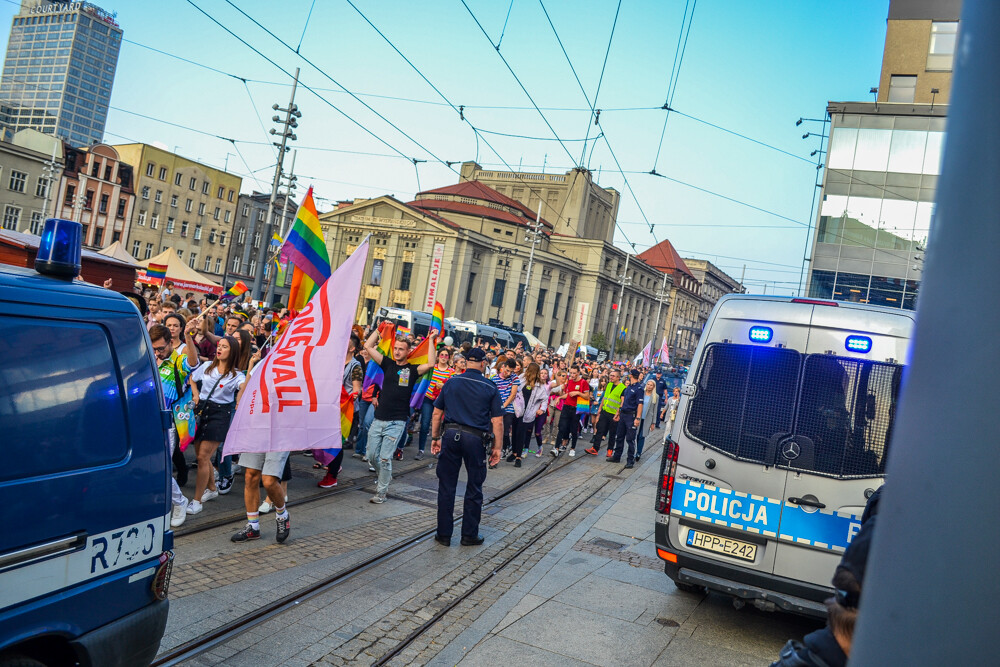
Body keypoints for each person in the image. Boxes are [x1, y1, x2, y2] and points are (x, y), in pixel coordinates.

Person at [429, 347, 503, 546]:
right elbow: (498, 422)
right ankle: (469, 535)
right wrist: (497, 448)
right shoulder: (490, 386)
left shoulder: (451, 382)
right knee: (474, 487)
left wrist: (435, 437)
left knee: (446, 486)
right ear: (483, 363)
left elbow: (437, 413)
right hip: (475, 439)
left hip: (451, 434)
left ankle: (443, 534)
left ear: (465, 362)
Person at [363, 327, 436, 504]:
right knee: (372, 456)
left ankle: (381, 492)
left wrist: (432, 340)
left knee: (385, 458)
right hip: (379, 419)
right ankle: (384, 478)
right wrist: (379, 330)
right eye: (395, 348)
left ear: (408, 351)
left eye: (401, 349)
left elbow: (431, 364)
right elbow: (368, 345)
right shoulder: (387, 363)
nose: (397, 351)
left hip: (396, 422)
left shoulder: (412, 370)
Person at [183, 321, 245, 514]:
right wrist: (195, 394)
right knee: (204, 455)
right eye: (219, 346)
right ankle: (211, 488)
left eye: (224, 347)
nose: (220, 349)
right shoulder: (208, 366)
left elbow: (244, 389)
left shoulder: (237, 376)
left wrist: (251, 367)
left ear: (232, 352)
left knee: (202, 457)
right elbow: (192, 378)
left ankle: (197, 500)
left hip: (220, 415)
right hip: (201, 411)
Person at [230, 350, 291, 544]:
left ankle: (282, 515)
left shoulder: (298, 369)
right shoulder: (263, 363)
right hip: (257, 426)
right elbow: (245, 393)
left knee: (269, 480)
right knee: (250, 476)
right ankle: (253, 526)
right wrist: (251, 367)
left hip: (281, 429)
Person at [149, 324, 192, 527]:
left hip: (169, 422)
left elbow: (193, 363)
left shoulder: (178, 360)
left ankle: (180, 501)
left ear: (170, 343)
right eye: (154, 348)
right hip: (148, 419)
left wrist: (188, 338)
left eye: (161, 348)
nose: (157, 352)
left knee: (163, 467)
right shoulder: (150, 358)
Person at [319, 333, 363, 488]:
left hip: (345, 412)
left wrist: (349, 399)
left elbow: (357, 390)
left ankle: (332, 476)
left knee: (336, 443)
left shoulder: (355, 367)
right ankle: (332, 465)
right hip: (329, 409)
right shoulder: (334, 362)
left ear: (352, 348)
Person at [418, 347, 455, 461]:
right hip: (428, 399)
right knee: (424, 424)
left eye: (446, 355)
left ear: (449, 358)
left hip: (442, 402)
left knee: (439, 426)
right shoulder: (432, 368)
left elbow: (452, 388)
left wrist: (444, 387)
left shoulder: (451, 372)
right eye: (442, 355)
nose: (444, 357)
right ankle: (421, 450)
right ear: (438, 356)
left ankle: (437, 449)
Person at [510, 362, 549, 467]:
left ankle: (518, 456)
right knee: (514, 432)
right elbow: (513, 388)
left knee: (521, 434)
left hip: (528, 413)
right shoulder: (521, 378)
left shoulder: (539, 385)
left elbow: (545, 399)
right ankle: (514, 452)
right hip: (517, 410)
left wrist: (543, 409)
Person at [552, 366, 590, 457]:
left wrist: (578, 393)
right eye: (571, 373)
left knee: (573, 429)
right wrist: (560, 397)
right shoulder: (569, 381)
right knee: (562, 427)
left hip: (576, 409)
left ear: (578, 373)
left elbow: (587, 396)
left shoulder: (583, 382)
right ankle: (556, 448)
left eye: (574, 373)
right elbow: (568, 394)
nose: (572, 375)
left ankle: (572, 448)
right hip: (566, 407)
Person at [586, 369, 625, 456]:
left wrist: (618, 413)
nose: (611, 377)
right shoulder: (609, 384)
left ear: (618, 377)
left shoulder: (623, 388)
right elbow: (605, 397)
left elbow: (622, 402)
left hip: (614, 413)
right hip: (604, 411)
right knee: (599, 429)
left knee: (612, 433)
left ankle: (610, 450)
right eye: (610, 375)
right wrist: (600, 409)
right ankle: (595, 448)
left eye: (613, 376)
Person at [611, 369, 644, 468]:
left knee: (630, 439)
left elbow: (640, 404)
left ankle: (630, 461)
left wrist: (637, 418)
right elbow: (623, 402)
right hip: (623, 414)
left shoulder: (639, 389)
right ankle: (617, 456)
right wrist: (619, 412)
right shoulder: (628, 387)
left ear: (631, 375)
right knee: (619, 437)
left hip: (631, 415)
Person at [492, 358, 519, 464]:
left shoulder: (514, 378)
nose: (508, 373)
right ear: (503, 367)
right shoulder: (494, 378)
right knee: (495, 429)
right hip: (496, 407)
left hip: (508, 408)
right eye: (507, 370)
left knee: (505, 430)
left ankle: (504, 448)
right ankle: (496, 447)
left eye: (511, 371)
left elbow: (513, 394)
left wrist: (503, 406)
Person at [636, 379, 658, 461]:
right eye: (648, 384)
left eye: (651, 385)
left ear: (653, 387)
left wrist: (653, 423)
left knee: (642, 435)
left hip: (647, 419)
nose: (649, 386)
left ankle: (638, 452)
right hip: (639, 417)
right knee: (637, 435)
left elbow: (655, 410)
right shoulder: (642, 393)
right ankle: (635, 450)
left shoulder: (656, 396)